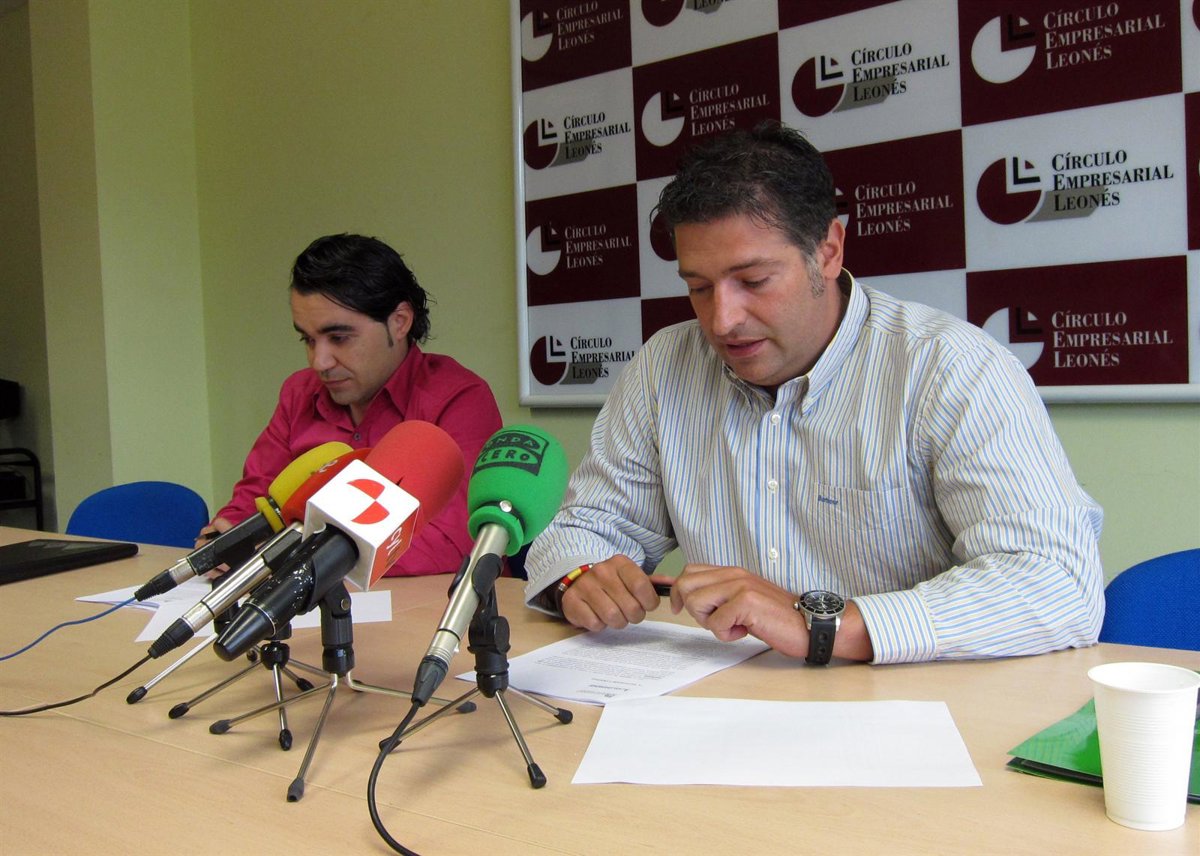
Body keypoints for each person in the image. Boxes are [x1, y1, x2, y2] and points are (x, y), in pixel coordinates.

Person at [524, 122, 1104, 664]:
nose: (722, 320)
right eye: (699, 287)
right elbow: (583, 530)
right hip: (725, 701)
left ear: (828, 251)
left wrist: (824, 625)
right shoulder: (664, 368)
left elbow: (1058, 584)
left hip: (905, 710)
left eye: (754, 281)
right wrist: (579, 577)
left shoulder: (950, 367)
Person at [203, 233, 503, 575]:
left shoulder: (459, 399)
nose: (320, 362)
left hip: (434, 603)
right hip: (304, 596)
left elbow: (453, 542)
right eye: (308, 339)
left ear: (399, 322)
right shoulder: (298, 393)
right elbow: (252, 504)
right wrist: (226, 538)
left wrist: (287, 556)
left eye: (339, 338)